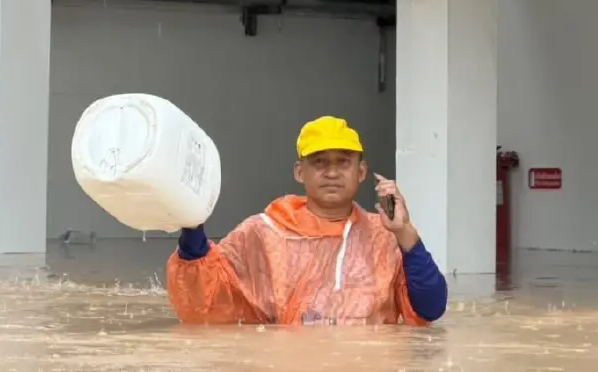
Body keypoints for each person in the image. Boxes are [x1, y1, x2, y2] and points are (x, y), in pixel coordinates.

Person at [167, 116, 448, 326]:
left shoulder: (384, 238)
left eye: (343, 162)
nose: (332, 172)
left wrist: (405, 232)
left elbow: (430, 310)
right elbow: (204, 303)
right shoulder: (264, 232)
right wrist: (192, 226)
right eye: (320, 162)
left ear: (361, 172)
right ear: (300, 172)